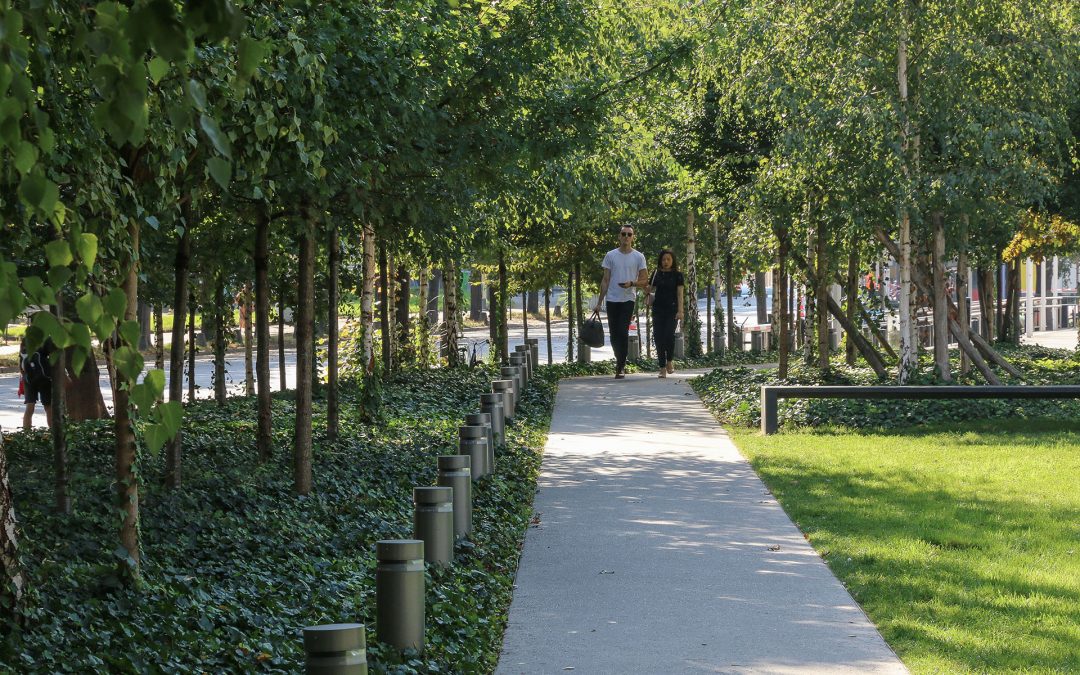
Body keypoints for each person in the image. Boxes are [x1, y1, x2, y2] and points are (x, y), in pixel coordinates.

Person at [596, 224, 648, 379]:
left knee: (622, 331)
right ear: (619, 236)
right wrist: (599, 302)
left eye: (629, 234)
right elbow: (605, 280)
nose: (626, 237)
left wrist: (632, 283)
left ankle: (621, 365)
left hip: (628, 299)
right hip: (612, 299)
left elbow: (645, 280)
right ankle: (619, 360)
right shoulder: (610, 255)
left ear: (633, 237)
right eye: (623, 234)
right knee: (613, 334)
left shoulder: (639, 257)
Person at [646, 249, 684, 377]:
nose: (666, 262)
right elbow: (649, 288)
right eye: (663, 259)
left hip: (672, 309)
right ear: (660, 261)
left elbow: (680, 294)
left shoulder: (678, 275)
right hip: (658, 309)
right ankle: (662, 368)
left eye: (668, 259)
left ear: (672, 261)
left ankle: (669, 361)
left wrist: (680, 310)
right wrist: (646, 288)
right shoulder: (656, 273)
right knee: (658, 337)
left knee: (669, 335)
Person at [20, 338, 54, 430]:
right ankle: (53, 431)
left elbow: (22, 366)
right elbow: (53, 357)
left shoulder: (24, 342)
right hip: (44, 380)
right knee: (48, 407)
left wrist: (24, 378)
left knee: (29, 407)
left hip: (29, 380)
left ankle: (26, 433)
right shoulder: (43, 341)